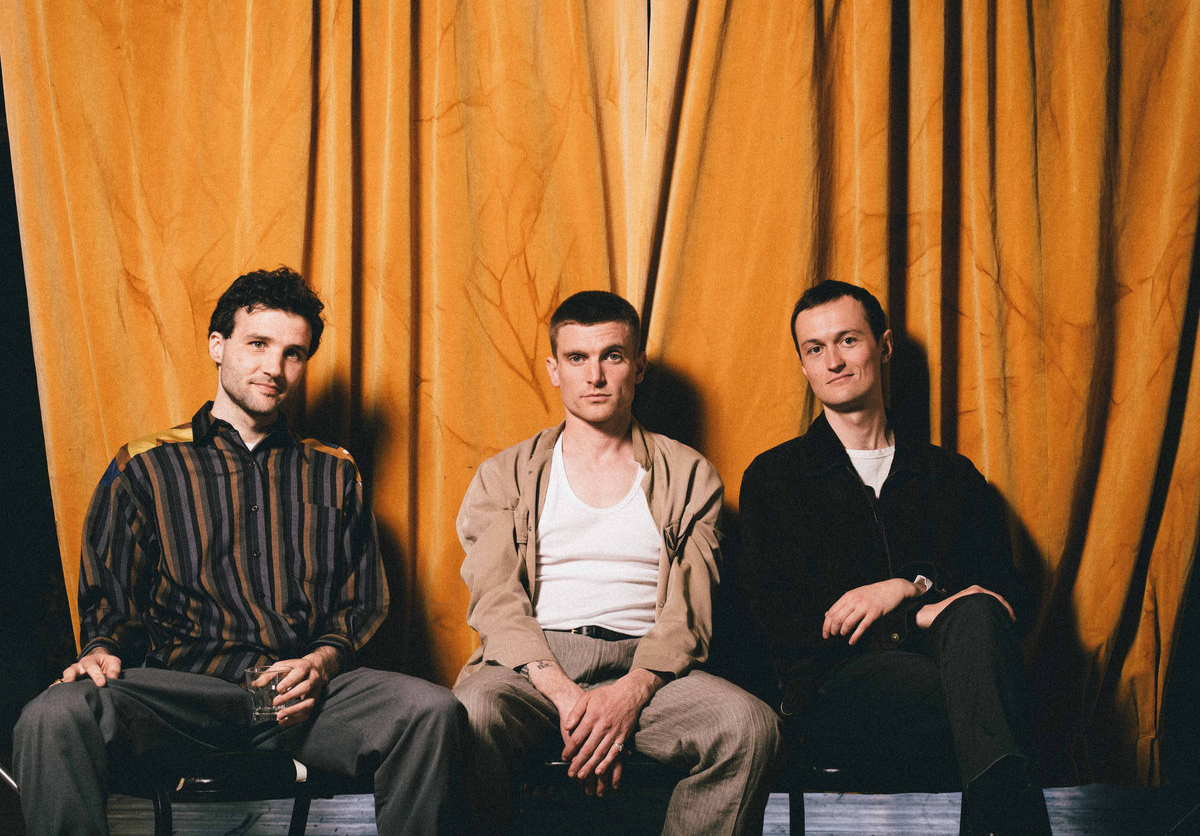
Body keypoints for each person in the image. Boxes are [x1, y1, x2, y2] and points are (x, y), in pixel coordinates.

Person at [14, 266, 467, 836]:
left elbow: (359, 605)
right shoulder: (145, 466)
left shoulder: (334, 471)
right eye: (258, 344)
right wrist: (101, 648)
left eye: (293, 353)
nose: (275, 367)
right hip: (184, 698)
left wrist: (320, 664)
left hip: (304, 699)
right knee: (54, 714)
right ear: (217, 345)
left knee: (432, 711)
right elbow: (111, 602)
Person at [452, 290, 782, 836]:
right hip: (534, 667)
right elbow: (497, 603)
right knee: (470, 715)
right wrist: (569, 699)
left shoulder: (690, 474)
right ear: (554, 370)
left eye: (612, 355)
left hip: (651, 668)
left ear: (639, 366)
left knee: (749, 727)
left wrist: (629, 694)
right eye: (577, 358)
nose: (595, 375)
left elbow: (690, 613)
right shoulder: (503, 474)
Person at [737, 279, 1052, 836]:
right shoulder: (775, 478)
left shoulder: (950, 476)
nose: (833, 361)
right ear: (803, 366)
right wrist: (921, 615)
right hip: (833, 691)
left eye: (848, 341)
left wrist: (909, 587)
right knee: (989, 694)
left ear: (883, 347)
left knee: (978, 627)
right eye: (815, 349)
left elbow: (1007, 598)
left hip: (955, 673)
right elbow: (782, 622)